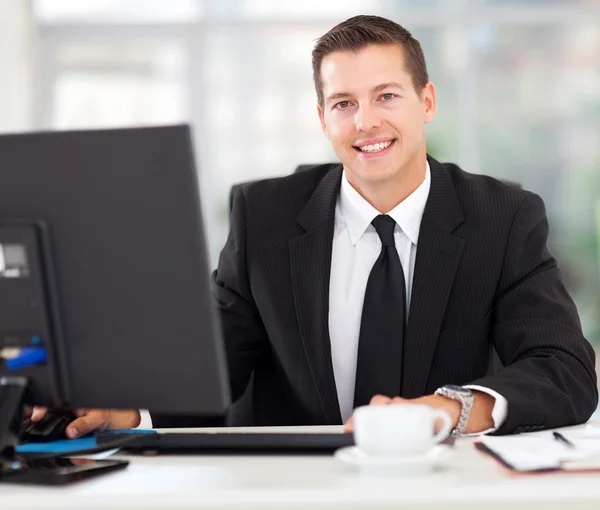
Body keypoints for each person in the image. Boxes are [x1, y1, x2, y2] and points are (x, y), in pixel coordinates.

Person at [31, 15, 597, 438]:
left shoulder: (502, 216)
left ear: (426, 101)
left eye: (387, 96)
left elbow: (564, 369)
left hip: (442, 481)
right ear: (322, 117)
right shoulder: (265, 218)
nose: (366, 120)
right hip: (295, 486)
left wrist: (448, 409)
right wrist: (127, 412)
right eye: (344, 103)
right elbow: (213, 369)